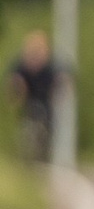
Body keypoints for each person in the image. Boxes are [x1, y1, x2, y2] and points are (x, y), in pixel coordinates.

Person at [5, 30, 60, 164]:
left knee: (47, 128)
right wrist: (16, 91)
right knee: (27, 128)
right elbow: (13, 78)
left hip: (45, 103)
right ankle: (28, 156)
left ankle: (45, 154)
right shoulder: (22, 65)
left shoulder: (50, 65)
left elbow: (62, 78)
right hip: (29, 103)